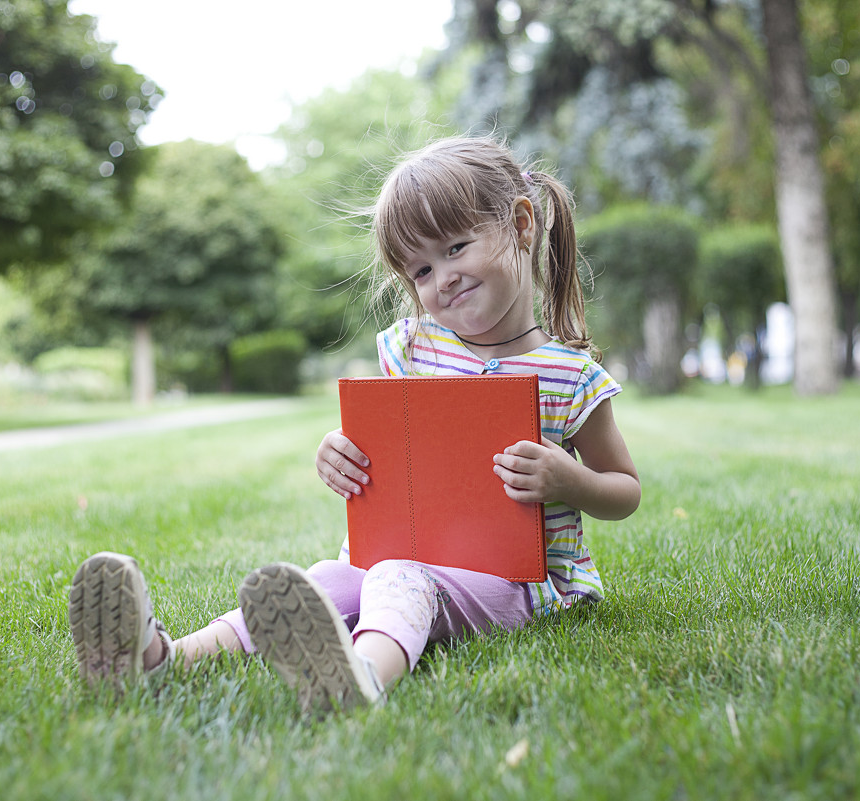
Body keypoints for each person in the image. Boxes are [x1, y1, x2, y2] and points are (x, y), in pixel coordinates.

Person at [69, 135, 642, 714]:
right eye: (420, 268)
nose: (441, 278)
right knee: (332, 577)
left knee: (400, 576)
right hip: (407, 552)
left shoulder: (570, 375)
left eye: (457, 248)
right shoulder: (412, 348)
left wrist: (570, 480)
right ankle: (165, 660)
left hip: (525, 583)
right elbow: (390, 446)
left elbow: (625, 490)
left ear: (521, 225)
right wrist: (338, 453)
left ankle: (363, 675)